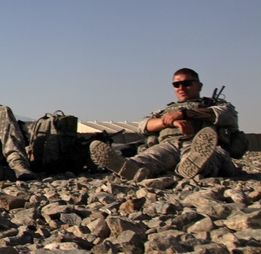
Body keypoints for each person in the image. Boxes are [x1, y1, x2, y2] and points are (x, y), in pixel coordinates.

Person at [90, 68, 239, 181]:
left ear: (199, 86)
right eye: (177, 84)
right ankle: (129, 168)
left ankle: (195, 167)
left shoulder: (215, 105)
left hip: (201, 144)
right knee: (149, 158)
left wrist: (185, 114)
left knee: (206, 158)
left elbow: (226, 115)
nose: (181, 87)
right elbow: (143, 125)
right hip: (169, 145)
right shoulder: (165, 111)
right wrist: (167, 121)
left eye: (187, 83)